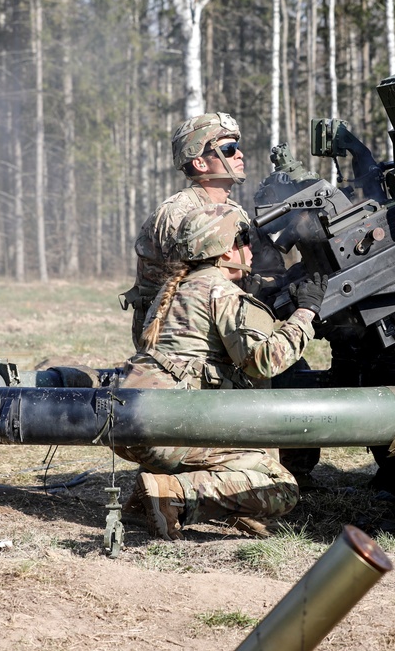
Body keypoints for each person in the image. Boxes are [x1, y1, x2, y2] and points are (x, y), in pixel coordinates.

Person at [116, 203, 327, 540]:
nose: (250, 249)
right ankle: (172, 494)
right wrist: (306, 312)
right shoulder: (220, 291)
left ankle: (147, 500)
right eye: (244, 240)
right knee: (281, 485)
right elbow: (264, 360)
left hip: (134, 424)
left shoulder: (177, 287)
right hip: (169, 428)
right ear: (225, 248)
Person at [121, 112, 248, 349]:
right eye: (229, 149)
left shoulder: (233, 211)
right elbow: (192, 289)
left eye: (238, 147)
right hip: (178, 340)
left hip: (214, 324)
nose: (240, 154)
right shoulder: (177, 214)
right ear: (200, 163)